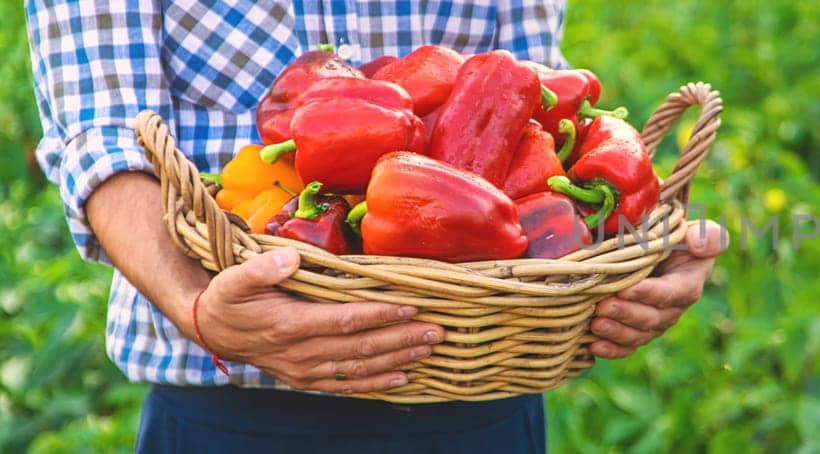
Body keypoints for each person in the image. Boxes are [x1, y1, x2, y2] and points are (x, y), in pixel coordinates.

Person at [26, 1, 727, 451]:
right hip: (228, 412)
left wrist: (639, 253)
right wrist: (197, 306)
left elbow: (533, 105)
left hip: (478, 398)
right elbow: (105, 139)